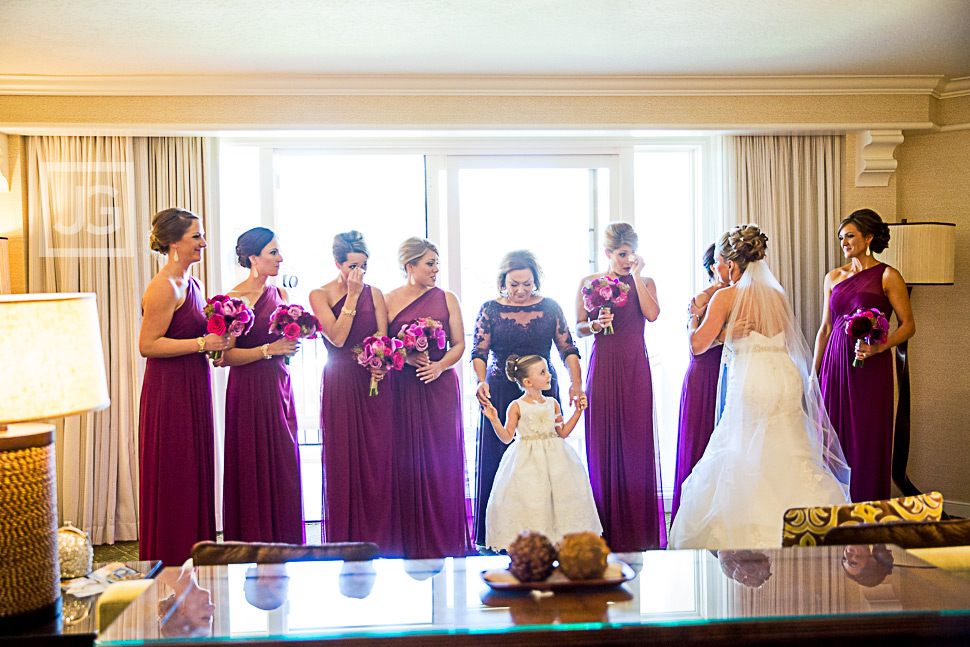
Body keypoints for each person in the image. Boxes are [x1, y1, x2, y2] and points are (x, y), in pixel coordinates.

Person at [669, 224, 850, 550]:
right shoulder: (776, 295)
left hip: (753, 380)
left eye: (722, 261)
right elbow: (782, 339)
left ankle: (752, 526)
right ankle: (800, 526)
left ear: (732, 264)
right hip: (783, 377)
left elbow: (697, 345)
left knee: (741, 451)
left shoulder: (727, 296)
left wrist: (690, 320)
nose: (719, 268)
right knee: (788, 448)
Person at [471, 250, 582, 550]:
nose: (520, 291)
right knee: (500, 454)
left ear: (536, 280)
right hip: (501, 389)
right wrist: (481, 382)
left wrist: (577, 384)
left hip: (542, 387)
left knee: (547, 457)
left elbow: (568, 349)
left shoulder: (550, 308)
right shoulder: (489, 310)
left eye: (527, 284)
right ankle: (500, 533)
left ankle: (548, 529)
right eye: (514, 284)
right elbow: (479, 353)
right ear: (502, 281)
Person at [138, 208, 230, 565]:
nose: (204, 243)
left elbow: (198, 336)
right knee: (176, 472)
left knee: (195, 470)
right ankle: (170, 557)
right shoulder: (163, 286)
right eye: (196, 236)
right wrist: (201, 344)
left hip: (194, 384)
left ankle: (196, 552)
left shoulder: (193, 283)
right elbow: (148, 345)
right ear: (174, 241)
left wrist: (217, 346)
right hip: (170, 391)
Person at [814, 209, 915, 502]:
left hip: (870, 365)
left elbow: (908, 326)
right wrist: (814, 372)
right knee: (833, 434)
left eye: (850, 236)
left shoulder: (888, 275)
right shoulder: (833, 277)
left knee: (867, 436)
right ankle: (834, 507)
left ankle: (866, 506)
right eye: (841, 237)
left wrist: (880, 347)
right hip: (835, 362)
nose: (844, 242)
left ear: (868, 237)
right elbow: (825, 327)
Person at [575, 222, 663, 551]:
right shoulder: (589, 283)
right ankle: (604, 530)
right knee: (603, 441)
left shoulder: (645, 281)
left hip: (635, 365)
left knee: (636, 441)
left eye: (631, 254)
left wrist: (637, 277)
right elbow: (580, 328)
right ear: (608, 253)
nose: (627, 260)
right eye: (622, 255)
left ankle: (638, 531)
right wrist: (595, 324)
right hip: (604, 365)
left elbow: (652, 315)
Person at [385, 237, 473, 557]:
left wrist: (439, 367)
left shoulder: (448, 298)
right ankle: (408, 541)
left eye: (437, 263)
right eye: (430, 263)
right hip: (403, 388)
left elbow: (460, 344)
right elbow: (382, 343)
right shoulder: (388, 300)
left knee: (441, 460)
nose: (436, 269)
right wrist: (405, 357)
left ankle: (445, 537)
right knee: (406, 460)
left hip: (439, 387)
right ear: (410, 266)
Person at [309, 231, 396, 553]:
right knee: (344, 458)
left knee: (378, 456)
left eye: (364, 266)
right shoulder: (319, 294)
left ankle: (382, 535)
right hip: (341, 382)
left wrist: (381, 363)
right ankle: (347, 537)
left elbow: (382, 339)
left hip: (373, 382)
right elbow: (337, 338)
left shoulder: (376, 294)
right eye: (353, 266)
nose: (359, 273)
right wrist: (351, 296)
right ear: (338, 264)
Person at [220, 227, 304, 544]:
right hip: (247, 390)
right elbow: (224, 357)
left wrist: (292, 345)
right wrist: (270, 350)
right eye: (272, 252)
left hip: (279, 389)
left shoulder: (281, 295)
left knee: (283, 461)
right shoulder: (231, 300)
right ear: (253, 258)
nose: (280, 258)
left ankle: (286, 539)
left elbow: (286, 344)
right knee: (250, 462)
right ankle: (251, 539)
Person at [480, 354, 601, 551]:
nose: (549, 376)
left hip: (556, 460)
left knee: (561, 499)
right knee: (532, 500)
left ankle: (560, 543)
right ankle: (533, 545)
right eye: (543, 372)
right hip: (527, 461)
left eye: (548, 371)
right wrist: (494, 419)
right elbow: (506, 436)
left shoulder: (552, 403)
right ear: (527, 382)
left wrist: (578, 412)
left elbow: (562, 432)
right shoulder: (516, 406)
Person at [671, 244, 730, 520]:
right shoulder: (702, 298)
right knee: (701, 442)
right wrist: (722, 336)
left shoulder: (742, 294)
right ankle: (695, 517)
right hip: (705, 373)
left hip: (732, 372)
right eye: (724, 261)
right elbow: (694, 343)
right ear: (712, 267)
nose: (730, 267)